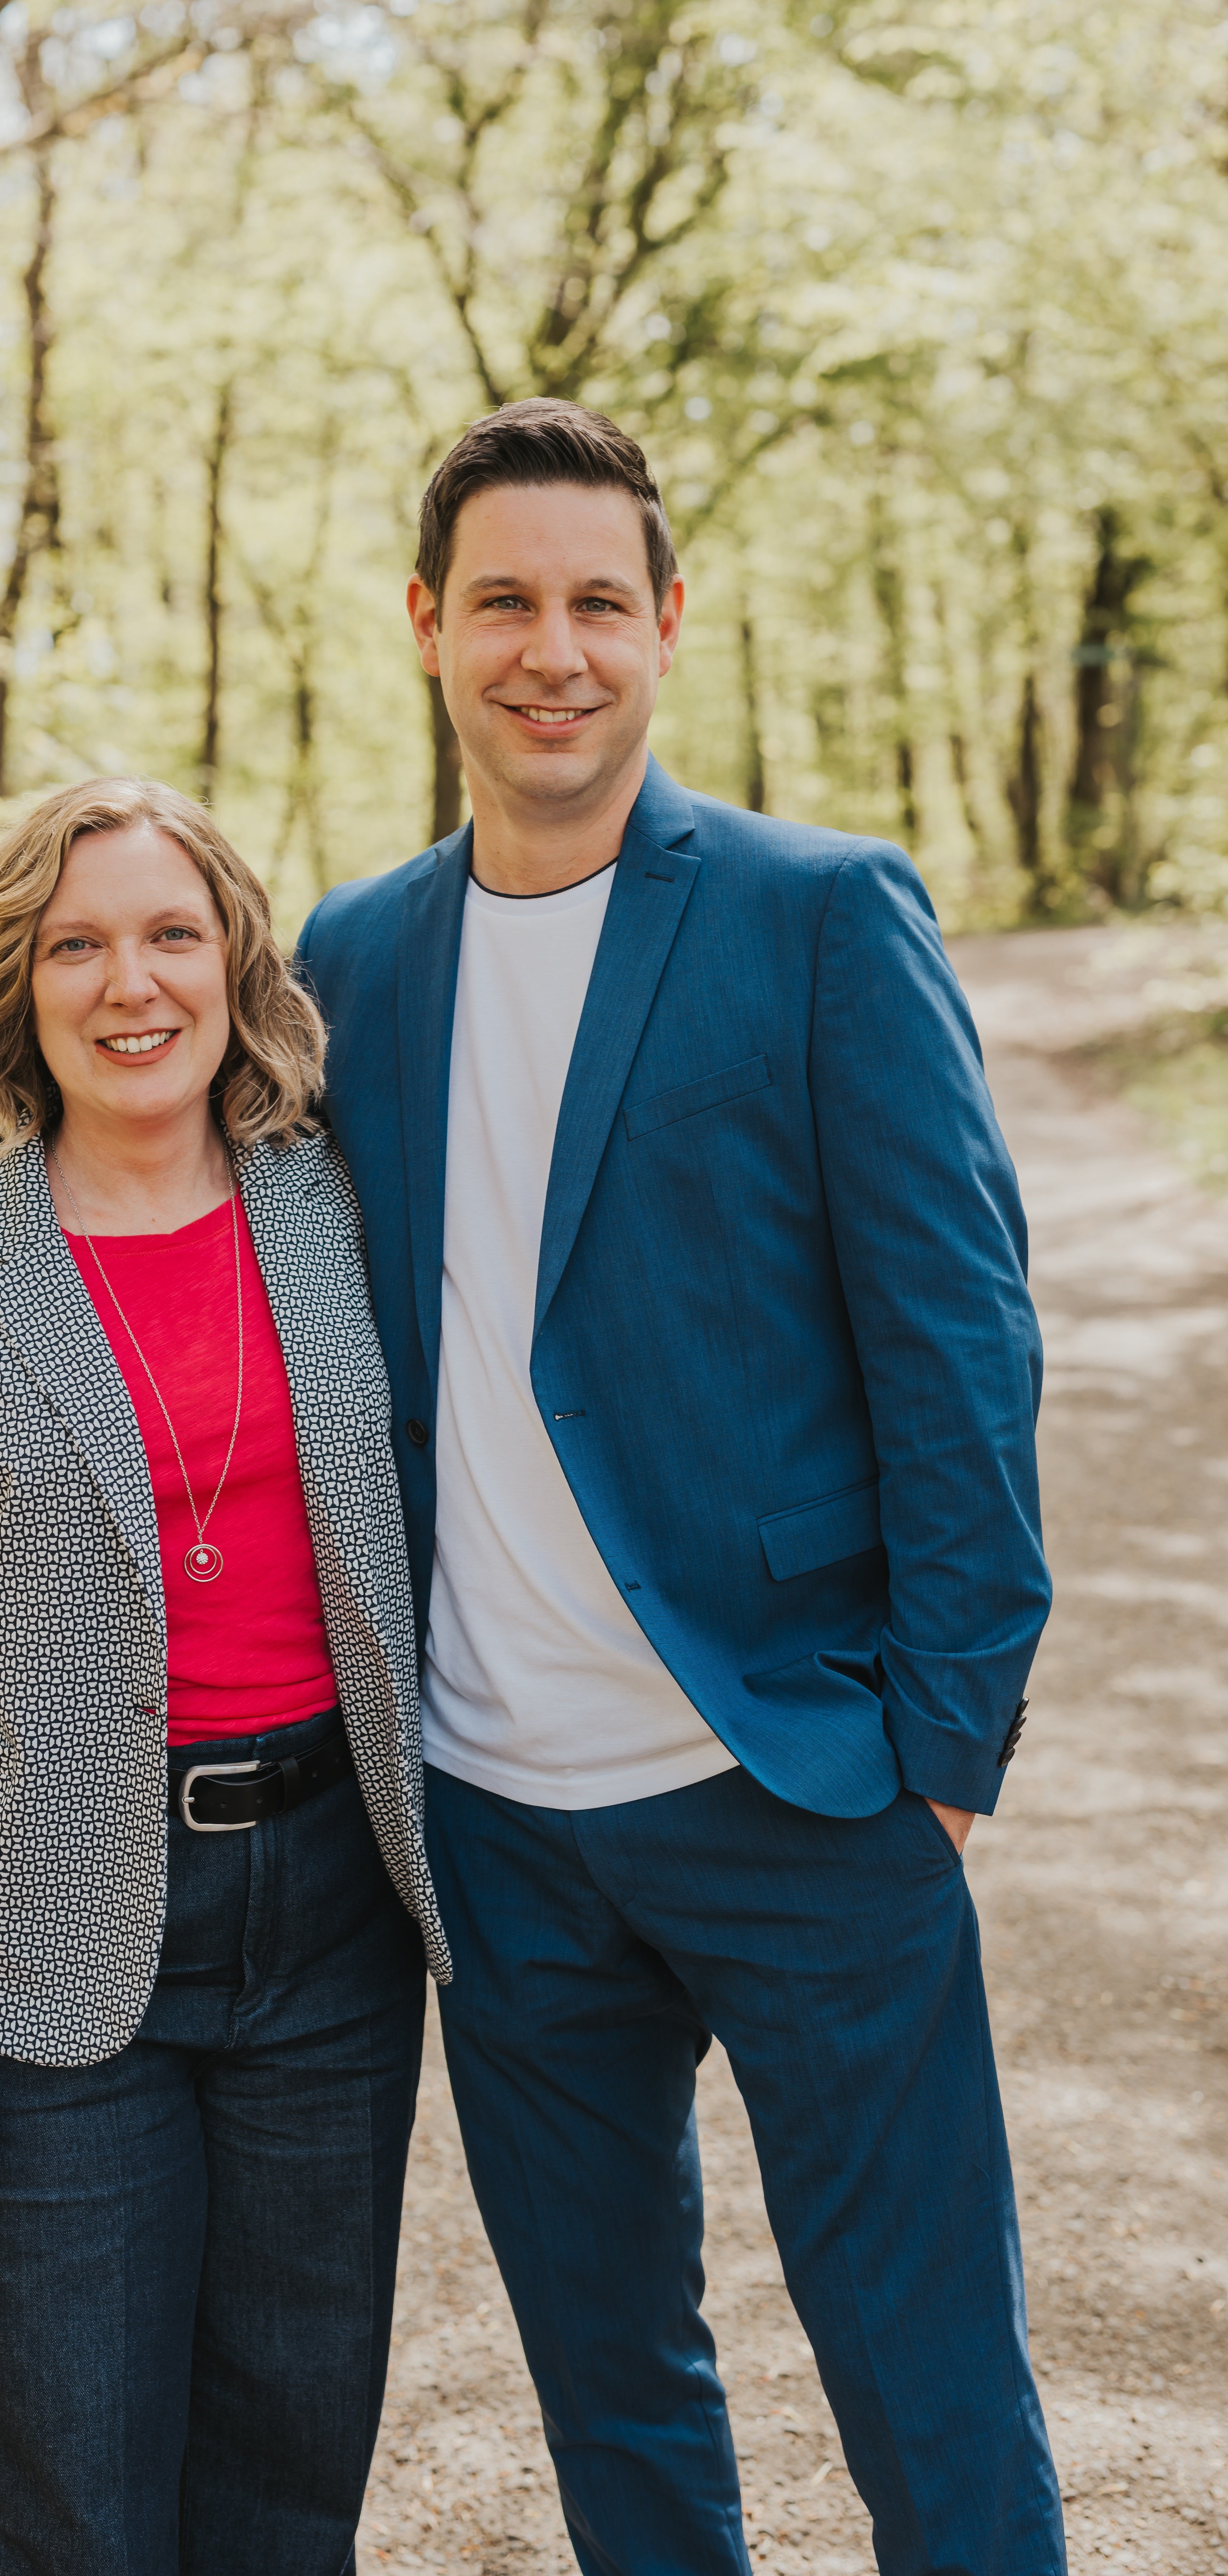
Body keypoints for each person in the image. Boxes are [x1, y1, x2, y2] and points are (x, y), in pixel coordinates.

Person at [296, 399, 1064, 2576]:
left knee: (927, 2377)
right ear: (431, 626)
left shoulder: (821, 918)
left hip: (797, 1787)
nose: (555, 648)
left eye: (598, 604)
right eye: (507, 603)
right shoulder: (355, 959)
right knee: (613, 2395)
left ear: (669, 626)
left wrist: (943, 1743)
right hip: (495, 1826)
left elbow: (958, 1346)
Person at [0, 777, 450, 2576]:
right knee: (77, 2501)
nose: (127, 982)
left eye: (170, 934)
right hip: (40, 1941)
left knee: (289, 2483)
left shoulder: (341, 1214)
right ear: (18, 989)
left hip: (330, 1923)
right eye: (75, 945)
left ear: (233, 965)